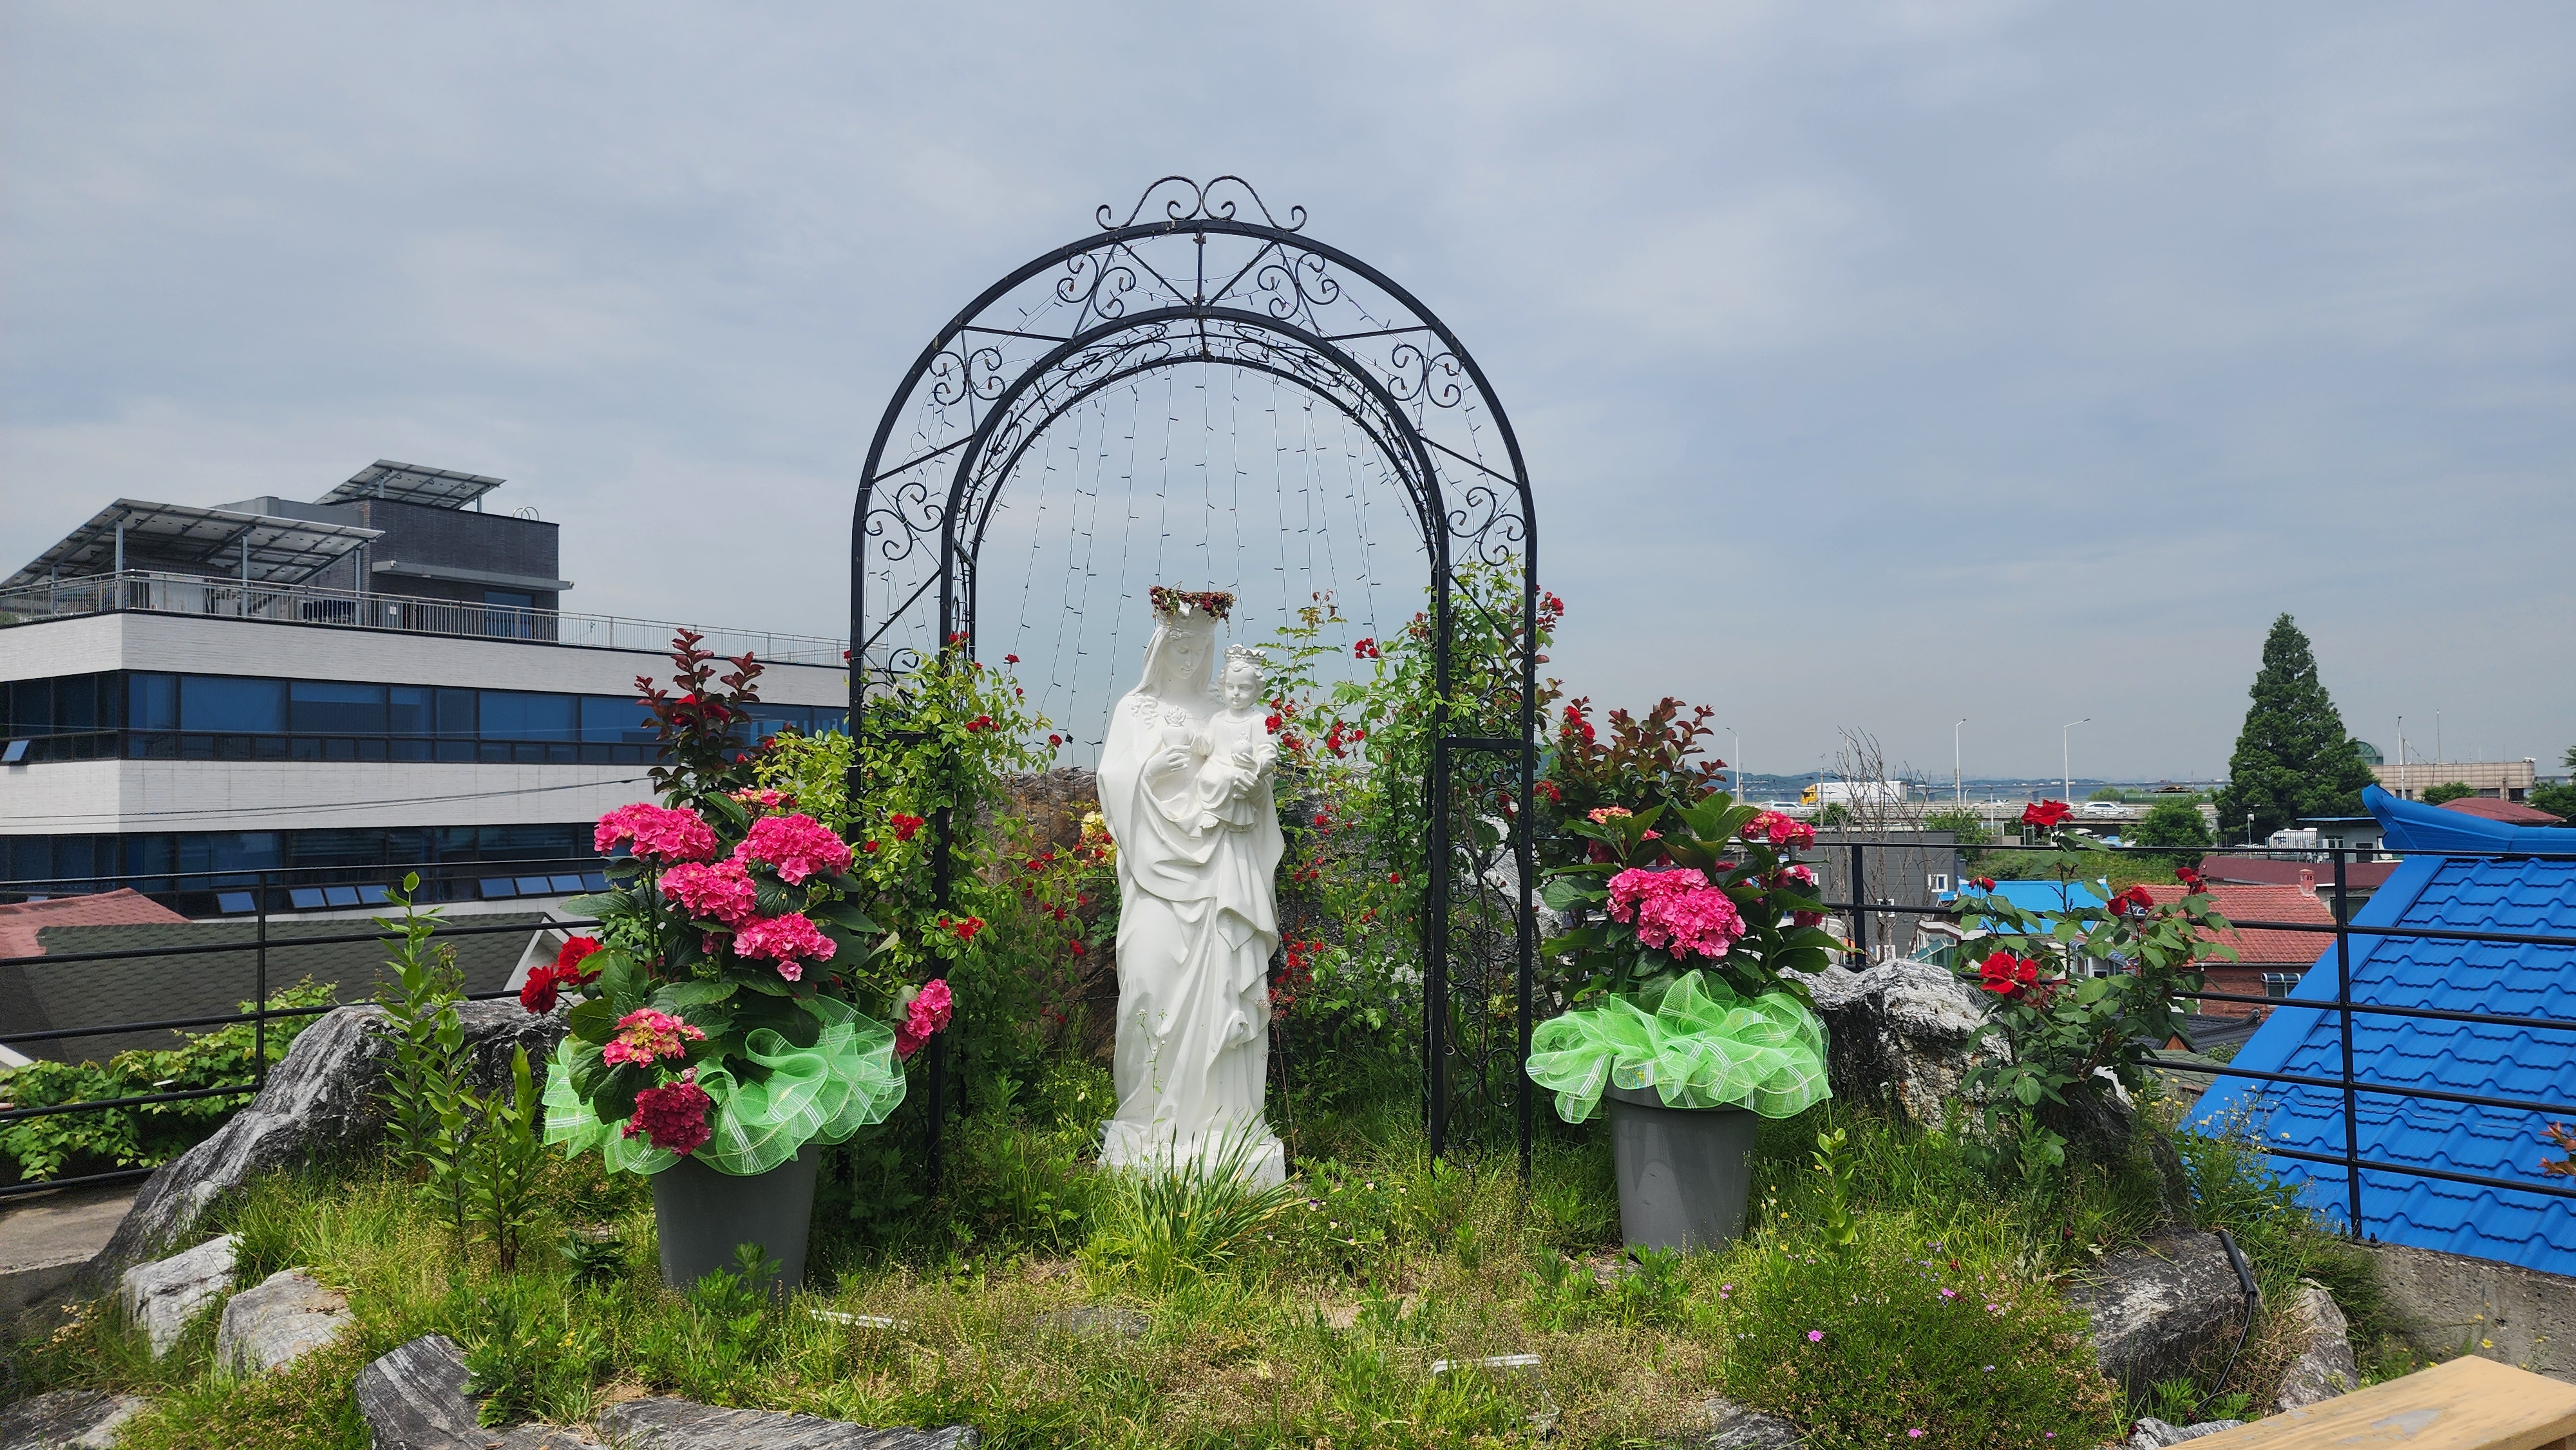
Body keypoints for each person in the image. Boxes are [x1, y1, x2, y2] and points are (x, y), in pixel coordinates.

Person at [1094, 591, 1286, 1185]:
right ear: (1160, 645)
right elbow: (1113, 780)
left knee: (1225, 992)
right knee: (1148, 983)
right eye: (1180, 645)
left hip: (1220, 871)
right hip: (1156, 871)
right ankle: (1149, 1118)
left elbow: (1256, 779)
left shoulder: (1227, 709)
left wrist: (1251, 786)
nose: (1190, 658)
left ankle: (1223, 1121)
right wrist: (1153, 771)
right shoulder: (1136, 710)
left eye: (1201, 647)